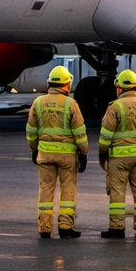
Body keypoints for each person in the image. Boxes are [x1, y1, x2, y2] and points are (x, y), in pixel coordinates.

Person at [26, 65, 88, 238]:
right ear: (67, 85)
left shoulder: (38, 103)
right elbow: (79, 132)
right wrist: (83, 153)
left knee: (45, 190)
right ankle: (65, 227)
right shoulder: (71, 104)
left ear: (49, 83)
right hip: (67, 157)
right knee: (68, 191)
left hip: (45, 154)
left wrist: (33, 148)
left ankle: (44, 229)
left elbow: (31, 129)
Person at [99, 68, 136, 239]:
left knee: (117, 192)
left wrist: (102, 154)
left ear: (119, 88)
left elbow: (105, 136)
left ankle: (117, 229)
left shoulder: (115, 107)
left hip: (118, 159)